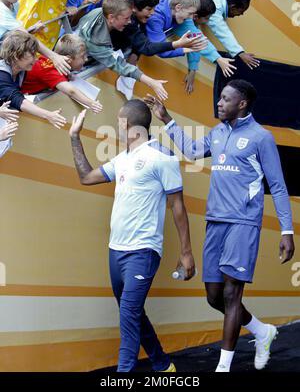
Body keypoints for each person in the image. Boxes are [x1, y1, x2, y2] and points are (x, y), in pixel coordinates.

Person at [145, 79, 295, 372]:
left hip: (243, 222)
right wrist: (166, 119)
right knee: (214, 296)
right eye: (220, 98)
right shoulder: (217, 132)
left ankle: (223, 367)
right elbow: (191, 151)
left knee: (231, 294)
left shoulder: (260, 137)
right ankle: (263, 332)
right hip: (216, 222)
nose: (219, 103)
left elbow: (277, 186)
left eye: (225, 99)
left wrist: (287, 230)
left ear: (242, 104)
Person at [69, 99, 196, 371]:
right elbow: (86, 177)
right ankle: (162, 365)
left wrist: (186, 253)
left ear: (127, 125)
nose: (117, 124)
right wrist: (74, 137)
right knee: (133, 314)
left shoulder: (163, 158)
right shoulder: (122, 159)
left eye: (118, 120)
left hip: (143, 251)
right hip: (116, 252)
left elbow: (178, 207)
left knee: (128, 314)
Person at [77, 0, 169, 101]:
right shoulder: (97, 40)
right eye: (126, 18)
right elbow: (120, 65)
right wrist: (151, 82)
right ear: (111, 17)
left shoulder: (99, 12)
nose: (130, 21)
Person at [146, 0, 237, 87]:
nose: (191, 18)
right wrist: (185, 49)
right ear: (178, 7)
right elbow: (161, 50)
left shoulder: (181, 15)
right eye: (190, 14)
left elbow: (197, 37)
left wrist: (217, 58)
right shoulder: (155, 19)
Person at [0, 0, 71, 76]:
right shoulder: (1, 11)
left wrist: (30, 30)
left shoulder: (14, 4)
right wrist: (54, 56)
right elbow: (25, 37)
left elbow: (16, 33)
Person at [0, 30, 66, 129]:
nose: (36, 59)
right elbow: (17, 100)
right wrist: (48, 115)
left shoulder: (21, 69)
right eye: (32, 55)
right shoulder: (2, 75)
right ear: (16, 56)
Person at [21, 34, 102, 113]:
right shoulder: (51, 71)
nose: (86, 59)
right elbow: (71, 91)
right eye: (82, 56)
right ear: (69, 59)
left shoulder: (50, 61)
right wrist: (91, 103)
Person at [194, 0, 260, 69]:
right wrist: (240, 53)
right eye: (241, 11)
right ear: (232, 7)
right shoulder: (215, 9)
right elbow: (223, 33)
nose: (241, 14)